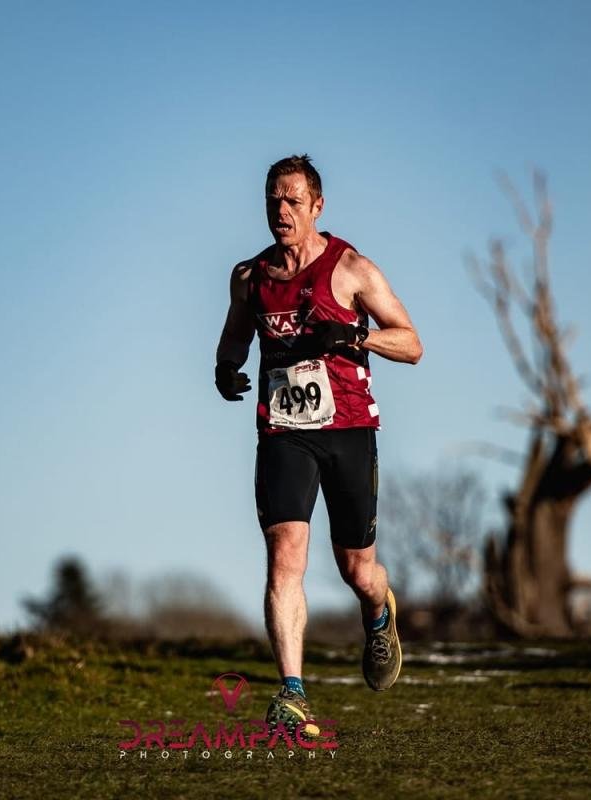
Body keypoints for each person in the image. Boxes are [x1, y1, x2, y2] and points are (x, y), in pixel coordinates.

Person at [215, 154, 422, 736]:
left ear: (317, 206)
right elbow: (234, 334)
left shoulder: (352, 268)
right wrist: (226, 367)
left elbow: (412, 343)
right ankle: (292, 693)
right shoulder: (250, 277)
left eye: (292, 201)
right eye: (272, 201)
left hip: (349, 430)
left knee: (357, 569)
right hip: (284, 433)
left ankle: (379, 613)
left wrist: (356, 334)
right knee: (285, 558)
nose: (281, 211)